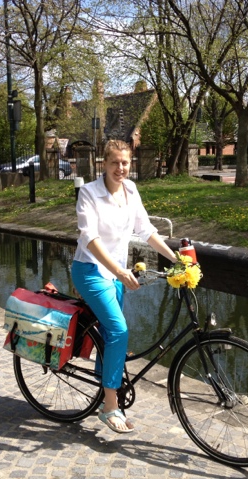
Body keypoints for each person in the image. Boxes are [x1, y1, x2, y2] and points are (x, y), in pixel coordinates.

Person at [71, 139, 177, 434]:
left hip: (115, 273)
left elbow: (146, 230)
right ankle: (109, 406)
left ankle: (104, 384)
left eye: (125, 163)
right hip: (91, 271)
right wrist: (119, 271)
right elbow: (90, 239)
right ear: (103, 163)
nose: (121, 168)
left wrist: (175, 258)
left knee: (110, 335)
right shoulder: (89, 194)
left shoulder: (131, 191)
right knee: (119, 330)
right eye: (115, 162)